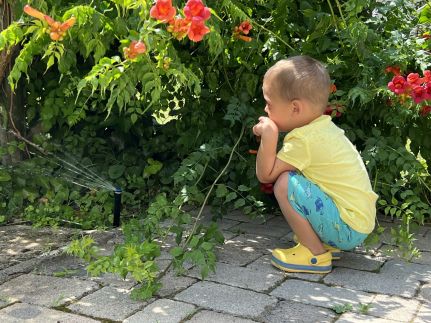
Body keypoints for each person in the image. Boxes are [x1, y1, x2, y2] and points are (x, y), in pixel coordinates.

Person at [252, 56, 378, 274]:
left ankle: (315, 255)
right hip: (356, 223)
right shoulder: (322, 129)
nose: (265, 109)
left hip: (347, 227)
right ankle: (324, 241)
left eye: (269, 103)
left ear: (295, 108)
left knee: (284, 183)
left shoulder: (304, 140)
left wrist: (269, 135)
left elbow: (266, 175)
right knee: (297, 180)